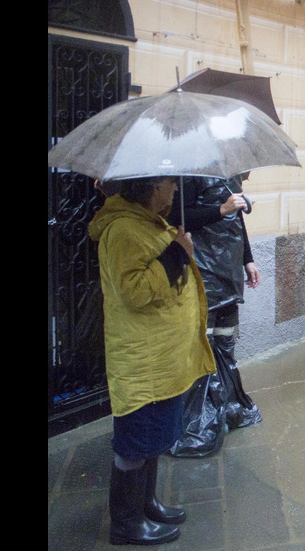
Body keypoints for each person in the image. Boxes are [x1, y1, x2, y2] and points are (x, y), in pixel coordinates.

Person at [88, 176, 216, 546]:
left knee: (153, 439)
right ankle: (126, 524)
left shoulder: (146, 220)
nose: (175, 191)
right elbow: (135, 291)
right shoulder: (124, 230)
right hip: (143, 362)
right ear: (150, 188)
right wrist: (178, 253)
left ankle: (146, 504)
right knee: (134, 444)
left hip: (160, 360)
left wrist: (176, 246)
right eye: (169, 185)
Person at [165, 173, 262, 458]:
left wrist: (248, 259)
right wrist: (221, 209)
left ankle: (229, 408)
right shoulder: (193, 176)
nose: (249, 172)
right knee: (203, 346)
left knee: (225, 342)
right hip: (204, 271)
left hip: (229, 270)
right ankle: (199, 421)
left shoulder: (230, 175)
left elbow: (238, 221)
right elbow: (178, 217)